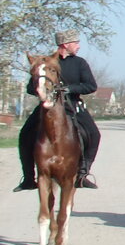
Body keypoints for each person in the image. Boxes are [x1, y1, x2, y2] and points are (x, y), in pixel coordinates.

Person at [13, 29, 102, 191]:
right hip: (47, 106)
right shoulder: (45, 62)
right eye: (76, 43)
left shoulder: (80, 63)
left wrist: (69, 89)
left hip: (73, 105)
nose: (78, 46)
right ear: (65, 45)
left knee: (94, 134)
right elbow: (29, 88)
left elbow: (91, 86)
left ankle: (83, 174)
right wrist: (41, 89)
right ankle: (28, 178)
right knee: (25, 133)